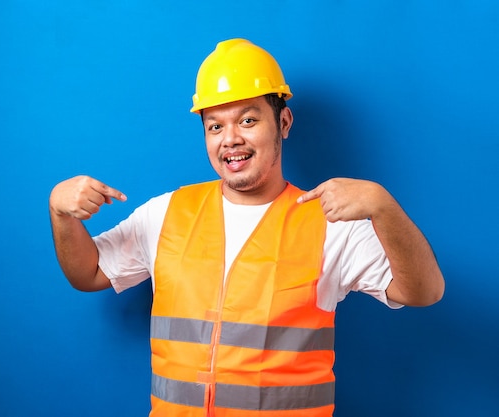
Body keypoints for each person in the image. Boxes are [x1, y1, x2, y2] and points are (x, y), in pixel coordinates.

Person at [49, 38, 444, 417]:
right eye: (215, 126)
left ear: (284, 122)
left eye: (249, 119)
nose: (231, 140)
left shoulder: (330, 223)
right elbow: (89, 273)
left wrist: (384, 208)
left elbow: (424, 292)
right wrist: (61, 214)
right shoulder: (166, 213)